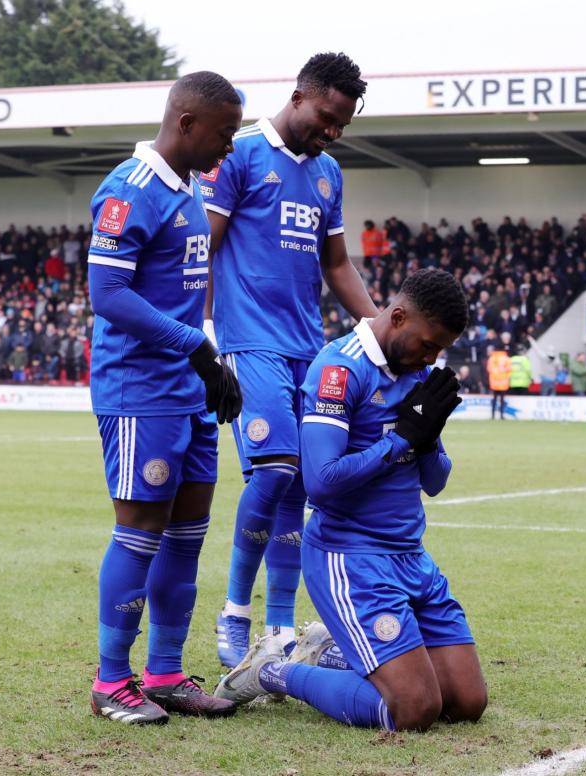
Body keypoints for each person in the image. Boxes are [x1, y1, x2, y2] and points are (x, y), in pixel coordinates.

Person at [215, 268, 488, 733]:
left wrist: (428, 437)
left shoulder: (418, 373)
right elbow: (320, 481)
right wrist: (400, 440)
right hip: (350, 558)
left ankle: (333, 651)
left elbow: (436, 482)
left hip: (410, 556)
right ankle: (270, 671)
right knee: (415, 709)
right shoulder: (339, 367)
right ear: (397, 317)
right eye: (428, 344)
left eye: (440, 349)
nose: (432, 357)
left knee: (466, 702)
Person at [202, 53, 379, 668]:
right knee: (274, 472)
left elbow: (336, 265)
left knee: (303, 486)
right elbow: (205, 246)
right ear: (301, 96)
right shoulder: (240, 155)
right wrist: (197, 335)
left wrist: (378, 328)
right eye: (328, 117)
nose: (332, 131)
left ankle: (278, 628)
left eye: (343, 124)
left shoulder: (328, 173)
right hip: (249, 342)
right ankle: (235, 610)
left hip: (309, 347)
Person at [86, 72, 245, 724]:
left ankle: (166, 673)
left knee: (188, 534)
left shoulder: (189, 193)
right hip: (139, 392)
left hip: (188, 391)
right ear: (186, 123)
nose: (228, 148)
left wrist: (208, 357)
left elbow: (182, 294)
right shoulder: (130, 189)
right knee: (139, 533)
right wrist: (195, 346)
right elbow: (109, 296)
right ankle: (109, 682)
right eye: (224, 133)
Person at [486, 336, 511, 419]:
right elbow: (509, 369)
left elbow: (489, 369)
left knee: (494, 399)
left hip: (494, 382)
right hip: (503, 382)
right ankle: (501, 415)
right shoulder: (506, 358)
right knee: (502, 400)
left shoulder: (491, 358)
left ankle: (493, 415)